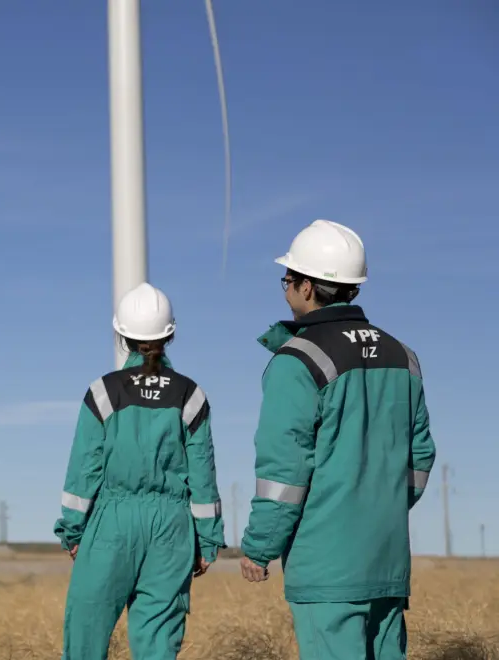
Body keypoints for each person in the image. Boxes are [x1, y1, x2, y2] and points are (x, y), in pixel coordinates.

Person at [239, 219, 436, 659]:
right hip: (387, 560)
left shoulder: (297, 360)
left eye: (287, 280)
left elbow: (284, 469)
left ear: (308, 287)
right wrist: (379, 506)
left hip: (326, 566)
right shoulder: (404, 356)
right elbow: (420, 456)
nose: (285, 289)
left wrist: (259, 547)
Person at [55, 282, 226, 659]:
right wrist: (207, 541)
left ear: (121, 335)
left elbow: (83, 471)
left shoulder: (103, 392)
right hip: (171, 528)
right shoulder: (190, 395)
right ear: (171, 334)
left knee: (86, 635)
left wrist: (73, 531)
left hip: (110, 524)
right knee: (159, 645)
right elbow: (203, 475)